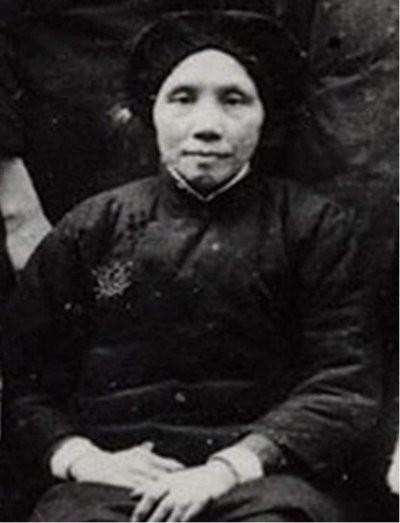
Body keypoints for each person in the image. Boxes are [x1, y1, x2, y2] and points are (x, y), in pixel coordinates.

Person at [2, 10, 381, 522]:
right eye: (182, 98)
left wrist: (228, 468)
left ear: (265, 116)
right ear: (150, 111)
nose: (206, 126)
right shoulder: (92, 228)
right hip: (110, 483)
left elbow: (341, 382)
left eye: (234, 100)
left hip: (260, 485)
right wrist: (86, 460)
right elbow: (24, 382)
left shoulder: (314, 229)